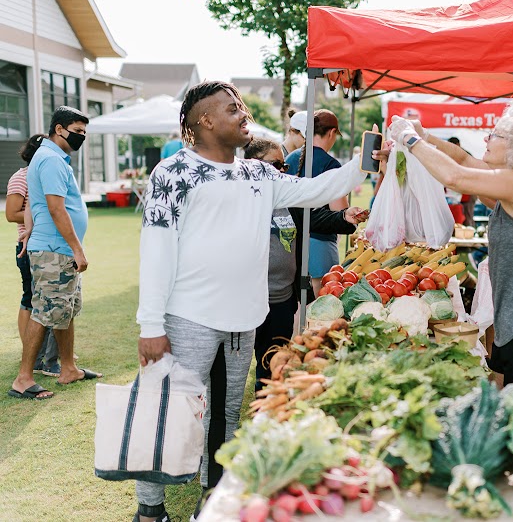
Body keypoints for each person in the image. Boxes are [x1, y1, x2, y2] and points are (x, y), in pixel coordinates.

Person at [134, 81, 367, 522]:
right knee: (172, 411)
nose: (244, 114)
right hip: (188, 320)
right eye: (232, 108)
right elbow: (156, 251)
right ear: (205, 120)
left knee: (222, 413)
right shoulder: (173, 174)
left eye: (242, 105)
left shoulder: (258, 174)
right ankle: (150, 509)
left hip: (243, 322)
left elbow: (314, 191)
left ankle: (215, 497)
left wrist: (363, 164)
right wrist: (151, 326)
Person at [388, 99, 513, 387]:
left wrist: (409, 139)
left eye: (496, 135)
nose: (487, 139)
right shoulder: (512, 186)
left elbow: (456, 176)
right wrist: (425, 136)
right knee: (503, 394)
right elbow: (462, 161)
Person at [242, 138, 368, 393]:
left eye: (284, 166)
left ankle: (265, 406)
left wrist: (344, 216)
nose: (283, 171)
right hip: (245, 299)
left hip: (281, 301)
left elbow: (316, 216)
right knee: (238, 364)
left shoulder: (288, 197)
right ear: (253, 166)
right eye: (277, 165)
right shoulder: (241, 201)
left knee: (273, 362)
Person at [9, 107, 101, 400]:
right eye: (77, 131)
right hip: (55, 251)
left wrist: (27, 235)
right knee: (45, 309)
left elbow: (35, 206)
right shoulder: (50, 159)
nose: (81, 137)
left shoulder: (51, 158)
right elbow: (54, 207)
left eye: (84, 132)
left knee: (65, 308)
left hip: (54, 249)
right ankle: (23, 379)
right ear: (59, 129)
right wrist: (77, 248)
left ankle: (69, 368)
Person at [6, 134, 60, 377]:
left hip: (49, 246)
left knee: (48, 298)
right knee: (30, 298)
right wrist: (43, 214)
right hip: (29, 247)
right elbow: (10, 213)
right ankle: (30, 351)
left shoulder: (44, 175)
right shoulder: (21, 177)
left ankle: (46, 353)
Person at [284, 109, 348, 296]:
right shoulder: (331, 165)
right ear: (331, 133)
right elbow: (340, 212)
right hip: (320, 243)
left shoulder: (290, 159)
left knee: (297, 303)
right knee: (322, 303)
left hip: (289, 245)